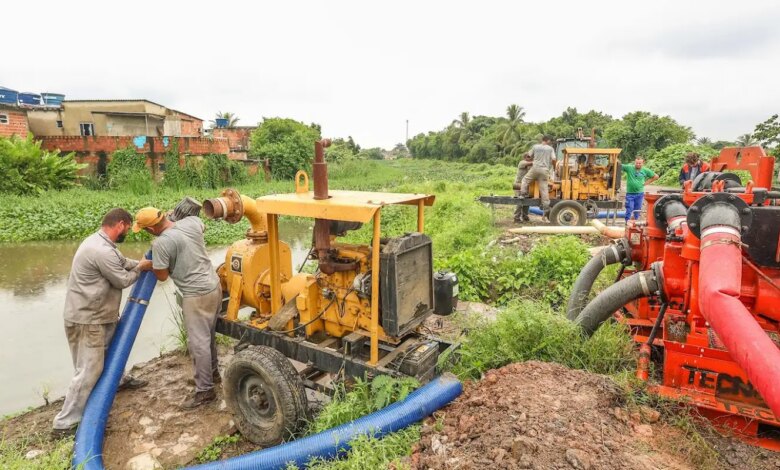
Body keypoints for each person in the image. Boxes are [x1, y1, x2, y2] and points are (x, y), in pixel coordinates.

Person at [52, 208, 153, 438]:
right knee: (89, 369)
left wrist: (137, 262)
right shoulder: (100, 250)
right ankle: (65, 423)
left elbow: (122, 262)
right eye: (127, 228)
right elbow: (122, 279)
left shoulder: (102, 244)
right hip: (88, 319)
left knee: (111, 351)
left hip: (99, 315)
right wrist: (141, 267)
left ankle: (119, 379)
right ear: (119, 224)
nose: (127, 232)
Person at [133, 207, 222, 409]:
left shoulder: (161, 243)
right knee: (208, 335)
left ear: (151, 229)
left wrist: (149, 265)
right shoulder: (190, 222)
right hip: (214, 287)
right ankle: (212, 374)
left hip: (196, 295)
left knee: (198, 343)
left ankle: (205, 391)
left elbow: (162, 276)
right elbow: (202, 226)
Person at [519, 135, 556, 218]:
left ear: (542, 140)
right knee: (544, 188)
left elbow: (528, 155)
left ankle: (522, 194)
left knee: (525, 180)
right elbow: (553, 159)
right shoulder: (550, 149)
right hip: (544, 170)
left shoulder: (535, 146)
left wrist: (534, 158)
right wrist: (554, 167)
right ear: (548, 140)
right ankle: (546, 207)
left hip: (535, 168)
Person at [622, 157, 659, 222]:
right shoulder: (629, 168)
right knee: (629, 209)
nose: (638, 164)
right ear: (634, 162)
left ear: (642, 163)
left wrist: (647, 182)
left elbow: (656, 176)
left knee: (637, 210)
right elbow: (619, 165)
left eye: (640, 163)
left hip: (639, 194)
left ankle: (635, 223)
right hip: (630, 194)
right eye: (637, 163)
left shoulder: (645, 170)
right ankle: (627, 223)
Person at [513, 154, 533, 222]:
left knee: (527, 201)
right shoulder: (522, 163)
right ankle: (516, 218)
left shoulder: (530, 166)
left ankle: (525, 216)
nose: (530, 158)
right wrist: (539, 161)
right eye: (529, 157)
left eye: (531, 157)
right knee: (520, 201)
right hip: (519, 184)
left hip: (526, 185)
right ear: (524, 157)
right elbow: (531, 163)